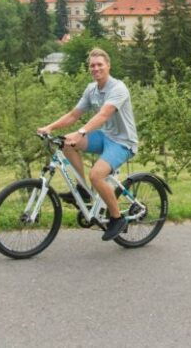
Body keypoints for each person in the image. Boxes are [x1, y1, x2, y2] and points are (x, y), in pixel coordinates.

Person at [37, 48, 138, 241]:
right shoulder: (91, 89)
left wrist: (81, 132)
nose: (96, 68)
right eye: (92, 65)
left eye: (100, 64)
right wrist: (50, 127)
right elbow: (74, 115)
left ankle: (117, 219)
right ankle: (83, 190)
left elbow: (104, 114)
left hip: (124, 143)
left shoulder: (118, 88)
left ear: (108, 66)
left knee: (97, 175)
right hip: (105, 136)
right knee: (66, 143)